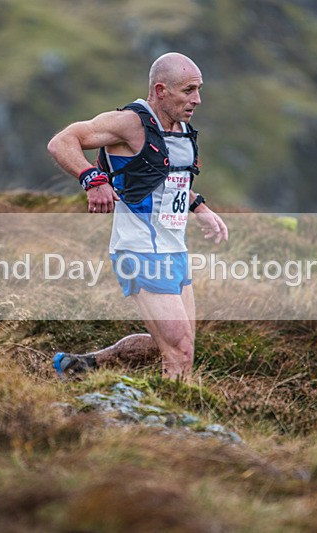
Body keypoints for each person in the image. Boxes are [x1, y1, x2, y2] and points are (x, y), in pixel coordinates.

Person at [46, 52, 228, 382]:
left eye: (199, 90)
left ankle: (80, 366)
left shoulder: (182, 129)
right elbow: (62, 142)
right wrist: (93, 180)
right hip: (141, 249)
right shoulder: (130, 123)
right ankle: (173, 413)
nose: (197, 100)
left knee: (173, 343)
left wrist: (199, 206)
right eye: (188, 90)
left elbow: (162, 181)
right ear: (161, 90)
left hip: (174, 250)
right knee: (180, 350)